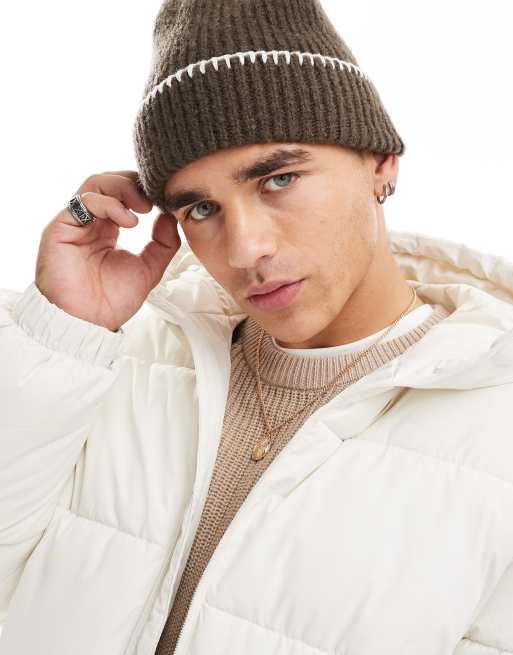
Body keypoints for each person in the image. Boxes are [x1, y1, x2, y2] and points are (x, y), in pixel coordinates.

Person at [1, 1, 513, 654]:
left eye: (278, 178)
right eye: (201, 207)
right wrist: (62, 334)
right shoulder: (104, 363)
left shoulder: (495, 426)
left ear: (381, 162)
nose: (244, 250)